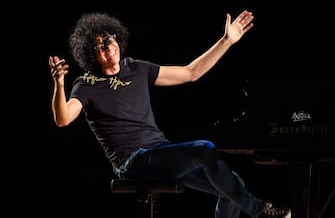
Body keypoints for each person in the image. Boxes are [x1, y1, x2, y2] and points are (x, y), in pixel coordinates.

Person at [48, 11, 291, 218]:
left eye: (109, 40)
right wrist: (60, 84)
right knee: (204, 148)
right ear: (92, 55)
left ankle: (250, 207)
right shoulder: (86, 84)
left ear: (118, 40)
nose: (107, 48)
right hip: (131, 163)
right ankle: (259, 210)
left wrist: (226, 41)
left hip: (160, 154)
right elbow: (63, 119)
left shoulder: (138, 69)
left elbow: (190, 73)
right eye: (99, 46)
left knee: (230, 185)